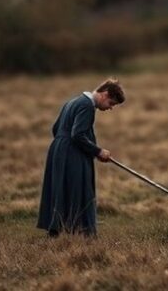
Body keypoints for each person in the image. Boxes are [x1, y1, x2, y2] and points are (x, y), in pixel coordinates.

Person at [37, 78, 125, 236]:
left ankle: (57, 232)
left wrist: (63, 147)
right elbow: (77, 135)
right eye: (111, 103)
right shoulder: (87, 106)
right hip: (71, 153)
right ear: (104, 94)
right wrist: (98, 151)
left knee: (61, 190)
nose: (110, 108)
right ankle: (83, 234)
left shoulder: (73, 101)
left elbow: (56, 128)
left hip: (58, 150)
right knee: (78, 190)